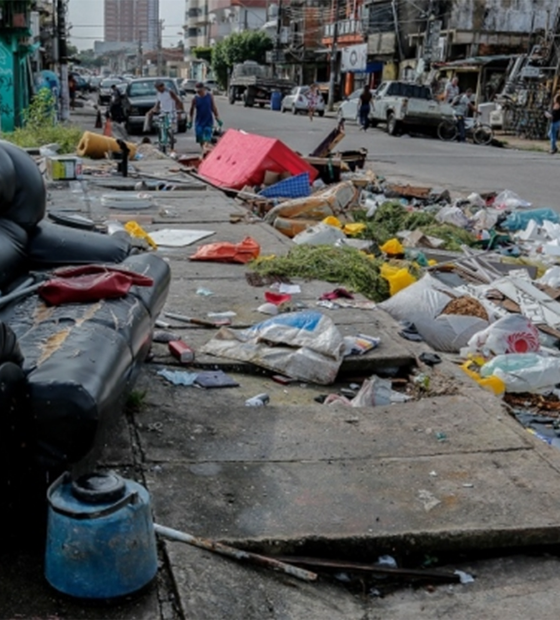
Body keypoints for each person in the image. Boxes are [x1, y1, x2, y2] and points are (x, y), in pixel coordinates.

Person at [188, 82, 222, 150]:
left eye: (200, 91)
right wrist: (190, 121)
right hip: (199, 122)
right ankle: (203, 149)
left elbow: (213, 107)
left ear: (203, 89)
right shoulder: (195, 99)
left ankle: (205, 150)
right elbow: (191, 110)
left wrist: (217, 118)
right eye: (197, 91)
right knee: (200, 137)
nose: (199, 92)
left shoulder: (209, 96)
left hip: (208, 121)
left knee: (207, 137)